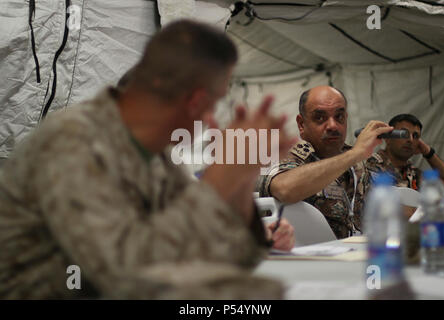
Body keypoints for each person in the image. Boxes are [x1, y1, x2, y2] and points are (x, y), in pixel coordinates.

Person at [0, 20, 295, 299]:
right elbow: (127, 277)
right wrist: (218, 183)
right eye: (214, 102)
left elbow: (222, 255)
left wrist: (242, 178)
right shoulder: (72, 143)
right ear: (195, 101)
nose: (212, 121)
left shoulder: (156, 157)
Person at [259, 86, 393, 239]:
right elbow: (284, 189)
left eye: (339, 117)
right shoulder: (286, 154)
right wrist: (355, 154)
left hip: (354, 255)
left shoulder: (358, 162)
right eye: (320, 118)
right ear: (301, 124)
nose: (333, 125)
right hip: (305, 259)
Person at [366, 114, 444, 190]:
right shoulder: (368, 165)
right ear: (388, 138)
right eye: (404, 134)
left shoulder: (413, 173)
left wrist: (428, 153)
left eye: (415, 136)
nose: (410, 140)